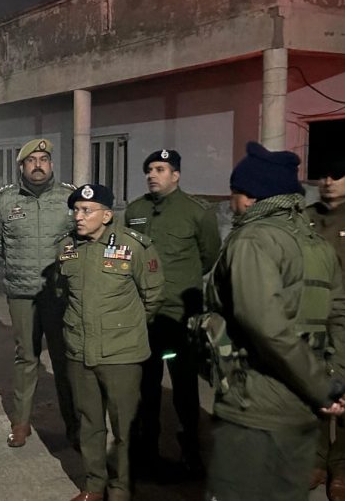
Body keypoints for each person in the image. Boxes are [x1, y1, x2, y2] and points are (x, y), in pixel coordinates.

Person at [204, 142, 345, 501]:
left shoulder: (252, 240)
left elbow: (267, 327)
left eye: (234, 192)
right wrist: (332, 381)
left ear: (249, 196)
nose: (231, 201)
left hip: (254, 407)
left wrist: (324, 386)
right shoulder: (315, 243)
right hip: (301, 409)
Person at [58, 184, 165, 501]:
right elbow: (64, 293)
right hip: (80, 349)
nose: (79, 216)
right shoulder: (67, 247)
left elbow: (153, 296)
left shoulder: (134, 246)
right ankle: (93, 485)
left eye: (86, 211)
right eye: (76, 210)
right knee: (89, 422)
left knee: (124, 428)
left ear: (106, 215)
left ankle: (120, 489)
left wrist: (125, 329)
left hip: (121, 353)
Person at [124, 148, 220, 476]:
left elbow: (209, 256)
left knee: (184, 389)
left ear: (176, 175)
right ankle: (146, 449)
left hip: (179, 315)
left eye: (161, 169)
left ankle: (190, 450)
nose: (153, 174)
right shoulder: (135, 210)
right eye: (150, 169)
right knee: (145, 387)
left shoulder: (197, 212)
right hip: (144, 315)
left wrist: (180, 283)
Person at [0, 138, 79, 448]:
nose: (38, 164)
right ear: (21, 167)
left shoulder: (69, 197)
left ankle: (74, 426)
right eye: (31, 160)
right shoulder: (3, 201)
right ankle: (21, 423)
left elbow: (81, 239)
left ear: (51, 164)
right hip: (22, 293)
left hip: (59, 294)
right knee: (26, 358)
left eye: (43, 159)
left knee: (66, 361)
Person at [306, 158, 345, 501]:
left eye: (336, 175)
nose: (328, 181)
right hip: (313, 323)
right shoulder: (306, 218)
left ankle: (341, 469)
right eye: (323, 176)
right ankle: (316, 459)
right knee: (314, 393)